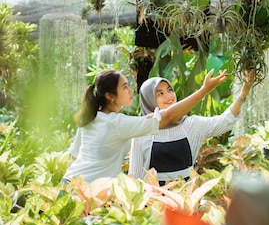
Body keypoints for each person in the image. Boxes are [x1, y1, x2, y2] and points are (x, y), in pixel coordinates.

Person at [63, 68, 227, 183]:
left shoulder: (91, 117)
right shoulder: (118, 124)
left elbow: (75, 156)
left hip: (72, 183)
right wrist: (205, 89)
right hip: (87, 191)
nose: (130, 91)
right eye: (124, 87)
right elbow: (168, 117)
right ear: (110, 96)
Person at [129, 71, 254, 185]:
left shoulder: (190, 125)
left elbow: (224, 121)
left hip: (187, 197)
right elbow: (135, 175)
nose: (169, 96)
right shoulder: (142, 132)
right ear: (148, 99)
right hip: (154, 200)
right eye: (160, 93)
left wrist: (244, 91)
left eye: (169, 90)